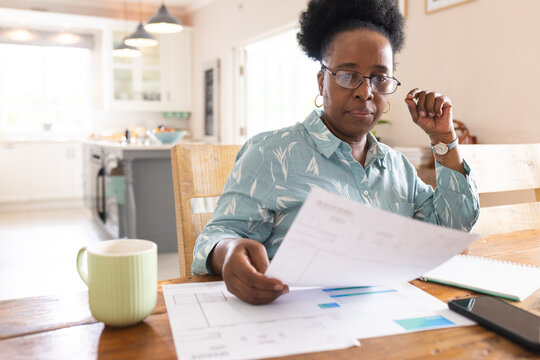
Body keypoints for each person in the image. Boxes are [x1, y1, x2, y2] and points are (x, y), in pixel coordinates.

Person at [192, 0, 479, 305]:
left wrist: (443, 137)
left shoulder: (396, 167)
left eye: (380, 78)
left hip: (387, 318)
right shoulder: (270, 154)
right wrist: (227, 253)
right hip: (297, 319)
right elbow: (216, 236)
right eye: (347, 75)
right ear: (322, 82)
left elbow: (454, 227)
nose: (365, 91)